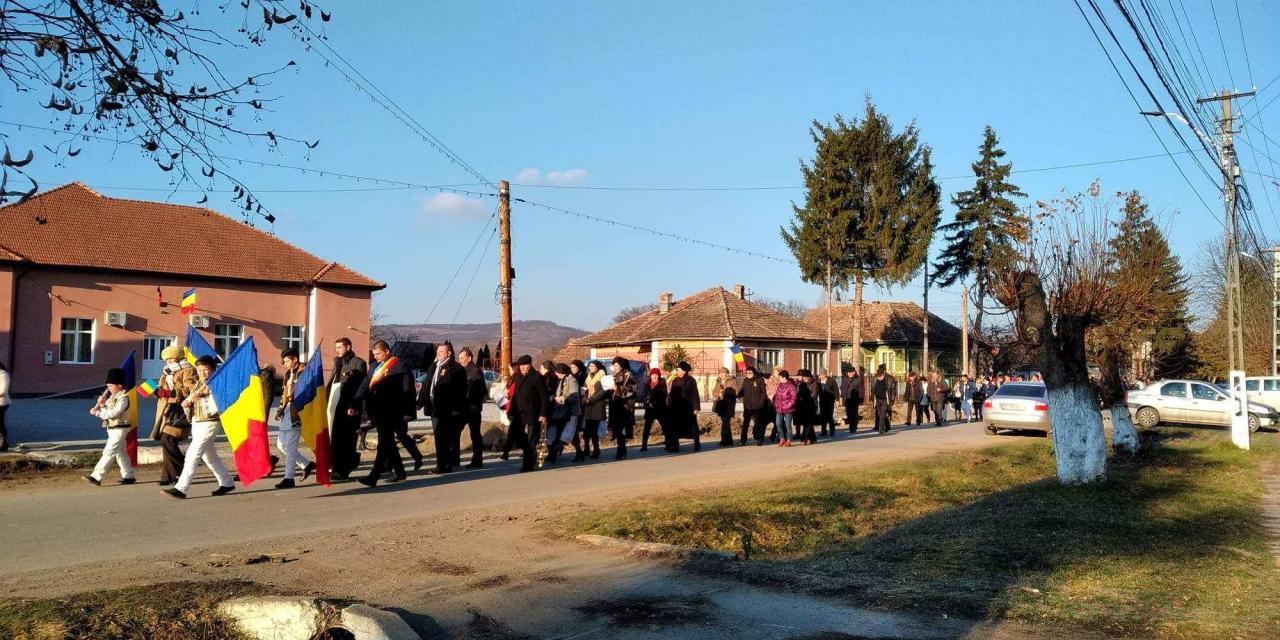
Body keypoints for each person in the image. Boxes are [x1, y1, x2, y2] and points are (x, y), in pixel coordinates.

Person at [166, 356, 235, 498]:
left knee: (192, 455)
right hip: (197, 423)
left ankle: (181, 488)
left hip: (209, 423)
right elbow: (192, 398)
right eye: (199, 370)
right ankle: (227, 482)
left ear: (213, 369)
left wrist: (200, 400)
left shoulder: (217, 384)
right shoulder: (200, 383)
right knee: (209, 456)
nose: (202, 373)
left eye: (205, 369)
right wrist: (187, 402)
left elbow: (216, 407)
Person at [356, 341, 417, 487]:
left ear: (387, 351)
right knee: (388, 443)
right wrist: (355, 402)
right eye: (374, 354)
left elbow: (407, 391)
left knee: (383, 443)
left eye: (378, 354)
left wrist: (407, 412)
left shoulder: (399, 366)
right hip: (377, 411)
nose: (376, 357)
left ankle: (374, 476)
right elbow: (365, 385)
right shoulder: (374, 366)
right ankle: (400, 472)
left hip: (392, 412)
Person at [149, 345, 196, 486]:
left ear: (179, 358)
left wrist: (174, 393)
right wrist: (155, 391)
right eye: (166, 360)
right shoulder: (166, 372)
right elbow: (161, 388)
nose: (168, 362)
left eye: (171, 359)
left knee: (168, 439)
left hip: (179, 410)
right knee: (167, 441)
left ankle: (172, 473)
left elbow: (191, 389)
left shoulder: (188, 370)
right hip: (166, 410)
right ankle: (177, 470)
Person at [83, 367, 136, 486]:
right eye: (108, 386)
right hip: (112, 428)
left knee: (109, 451)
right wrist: (102, 404)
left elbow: (113, 413)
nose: (109, 388)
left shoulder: (123, 398)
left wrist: (97, 413)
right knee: (120, 452)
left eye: (111, 386)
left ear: (120, 385)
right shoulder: (112, 397)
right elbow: (107, 409)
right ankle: (129, 475)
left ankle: (96, 476)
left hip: (120, 428)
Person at [273, 348, 316, 489]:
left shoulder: (306, 372)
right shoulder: (287, 373)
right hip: (287, 410)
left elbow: (309, 392)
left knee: (290, 447)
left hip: (298, 411)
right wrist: (280, 408)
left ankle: (289, 477)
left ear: (295, 359)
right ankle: (307, 464)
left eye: (287, 361)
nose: (284, 364)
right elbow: (284, 393)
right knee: (281, 445)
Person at [418, 343, 462, 474]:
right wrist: (420, 402)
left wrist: (456, 408)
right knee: (438, 436)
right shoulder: (434, 366)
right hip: (434, 407)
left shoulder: (455, 368)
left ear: (449, 353)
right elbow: (426, 384)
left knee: (445, 437)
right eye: (438, 351)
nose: (438, 354)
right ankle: (442, 463)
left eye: (442, 351)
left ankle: (445, 464)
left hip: (447, 408)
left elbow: (460, 390)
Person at [328, 337, 367, 479]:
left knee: (348, 439)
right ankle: (336, 467)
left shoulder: (358, 363)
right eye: (336, 347)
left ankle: (346, 467)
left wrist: (354, 405)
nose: (337, 350)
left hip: (349, 407)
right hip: (335, 405)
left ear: (348, 347)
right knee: (336, 438)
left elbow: (359, 388)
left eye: (339, 347)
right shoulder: (337, 363)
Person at [509, 355, 548, 472]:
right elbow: (516, 396)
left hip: (534, 413)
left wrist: (543, 414)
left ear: (529, 365)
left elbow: (544, 397)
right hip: (520, 413)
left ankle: (528, 464)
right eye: (520, 366)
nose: (522, 368)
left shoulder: (537, 378)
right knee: (520, 438)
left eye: (524, 365)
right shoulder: (518, 377)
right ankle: (530, 459)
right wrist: (512, 410)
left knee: (532, 439)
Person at [459, 347, 488, 469]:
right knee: (458, 431)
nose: (460, 361)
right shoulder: (464, 370)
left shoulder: (474, 371)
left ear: (469, 358)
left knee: (475, 434)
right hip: (466, 407)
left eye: (462, 358)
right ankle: (455, 458)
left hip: (472, 408)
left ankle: (477, 459)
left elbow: (476, 390)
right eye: (459, 358)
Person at [548, 363, 582, 463]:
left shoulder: (572, 380)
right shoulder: (562, 380)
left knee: (567, 432)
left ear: (561, 372)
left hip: (571, 411)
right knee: (569, 433)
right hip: (562, 411)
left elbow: (574, 396)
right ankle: (579, 453)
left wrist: (562, 398)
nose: (556, 374)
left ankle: (554, 453)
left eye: (557, 372)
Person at [665, 361, 700, 452]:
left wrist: (696, 408)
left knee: (693, 426)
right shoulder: (675, 380)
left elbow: (695, 394)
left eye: (678, 370)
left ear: (684, 371)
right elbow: (671, 394)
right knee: (675, 426)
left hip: (688, 407)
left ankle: (697, 444)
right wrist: (669, 405)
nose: (677, 371)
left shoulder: (691, 380)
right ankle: (675, 446)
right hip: (676, 407)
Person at [609, 357, 637, 459]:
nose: (615, 367)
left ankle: (620, 450)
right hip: (615, 405)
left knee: (621, 428)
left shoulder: (628, 375)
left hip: (625, 406)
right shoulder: (613, 375)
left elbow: (632, 389)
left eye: (617, 365)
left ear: (621, 366)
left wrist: (618, 388)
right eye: (614, 365)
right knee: (617, 428)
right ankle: (622, 448)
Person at [580, 361, 608, 459]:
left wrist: (591, 399)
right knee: (586, 430)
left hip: (597, 406)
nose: (590, 367)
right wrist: (584, 397)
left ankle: (596, 450)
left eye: (592, 366)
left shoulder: (603, 377)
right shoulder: (588, 377)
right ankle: (586, 449)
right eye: (589, 366)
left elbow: (604, 391)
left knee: (594, 430)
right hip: (588, 406)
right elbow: (584, 389)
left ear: (597, 367)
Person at [738, 366, 769, 446]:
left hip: (757, 406)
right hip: (747, 406)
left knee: (758, 423)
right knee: (745, 424)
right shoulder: (746, 380)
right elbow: (742, 390)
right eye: (747, 373)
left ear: (754, 373)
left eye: (750, 373)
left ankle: (759, 439)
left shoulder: (760, 380)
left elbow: (763, 393)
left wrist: (761, 403)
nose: (748, 374)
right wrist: (737, 395)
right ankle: (743, 440)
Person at [641, 367, 666, 452]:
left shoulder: (662, 384)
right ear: (650, 375)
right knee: (647, 427)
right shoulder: (647, 384)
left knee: (664, 426)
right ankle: (644, 445)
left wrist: (656, 403)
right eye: (653, 375)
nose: (654, 376)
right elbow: (643, 396)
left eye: (656, 375)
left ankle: (668, 442)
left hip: (660, 409)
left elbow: (664, 396)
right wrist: (647, 403)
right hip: (649, 409)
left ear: (659, 376)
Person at [713, 367, 738, 447]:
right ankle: (729, 440)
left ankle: (724, 440)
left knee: (725, 422)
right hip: (721, 404)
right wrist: (718, 394)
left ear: (726, 373)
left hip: (729, 404)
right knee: (725, 422)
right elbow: (714, 391)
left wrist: (723, 393)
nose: (721, 374)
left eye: (723, 373)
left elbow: (735, 392)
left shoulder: (732, 380)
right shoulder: (718, 381)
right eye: (720, 373)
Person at [772, 370, 796, 447]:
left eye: (780, 377)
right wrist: (776, 404)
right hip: (779, 409)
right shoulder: (780, 385)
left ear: (784, 377)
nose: (779, 379)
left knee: (788, 425)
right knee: (778, 424)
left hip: (788, 409)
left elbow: (794, 398)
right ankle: (782, 438)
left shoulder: (791, 386)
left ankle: (789, 440)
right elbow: (777, 396)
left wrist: (788, 405)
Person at [795, 369, 818, 445]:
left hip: (811, 405)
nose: (803, 378)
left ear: (808, 377)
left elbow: (814, 394)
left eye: (804, 377)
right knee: (807, 423)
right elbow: (797, 393)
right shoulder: (800, 383)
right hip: (802, 406)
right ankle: (812, 438)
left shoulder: (814, 383)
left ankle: (804, 439)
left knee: (808, 423)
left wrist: (805, 398)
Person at [872, 364, 896, 434]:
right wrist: (872, 398)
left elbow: (893, 390)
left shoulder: (889, 380)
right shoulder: (875, 379)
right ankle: (887, 426)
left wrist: (892, 399)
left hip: (885, 400)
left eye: (880, 376)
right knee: (880, 415)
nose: (879, 377)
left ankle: (881, 429)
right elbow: (873, 389)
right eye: (878, 376)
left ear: (883, 374)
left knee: (882, 414)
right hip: (877, 399)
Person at [840, 366, 862, 433]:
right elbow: (842, 388)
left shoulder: (858, 379)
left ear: (854, 372)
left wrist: (861, 398)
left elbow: (861, 390)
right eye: (848, 372)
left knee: (854, 414)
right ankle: (851, 425)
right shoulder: (845, 379)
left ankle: (853, 427)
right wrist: (842, 395)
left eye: (850, 372)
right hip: (847, 399)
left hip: (854, 400)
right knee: (848, 413)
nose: (849, 373)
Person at [817, 370, 839, 437]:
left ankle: (832, 430)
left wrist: (837, 400)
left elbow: (836, 390)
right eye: (819, 375)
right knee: (822, 416)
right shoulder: (818, 381)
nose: (820, 376)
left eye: (821, 375)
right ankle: (823, 431)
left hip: (830, 401)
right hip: (822, 401)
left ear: (825, 374)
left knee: (829, 416)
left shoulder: (831, 380)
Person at [765, 366, 782, 442]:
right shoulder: (771, 379)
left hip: (778, 402)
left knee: (778, 421)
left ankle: (775, 434)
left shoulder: (781, 380)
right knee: (770, 419)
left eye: (776, 371)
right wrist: (769, 395)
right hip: (770, 402)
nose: (775, 373)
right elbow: (767, 388)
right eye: (774, 371)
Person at [0, 362, 10, 452]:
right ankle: (4, 444)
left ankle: (3, 444)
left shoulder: (3, 375)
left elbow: (3, 391)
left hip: (2, 403)